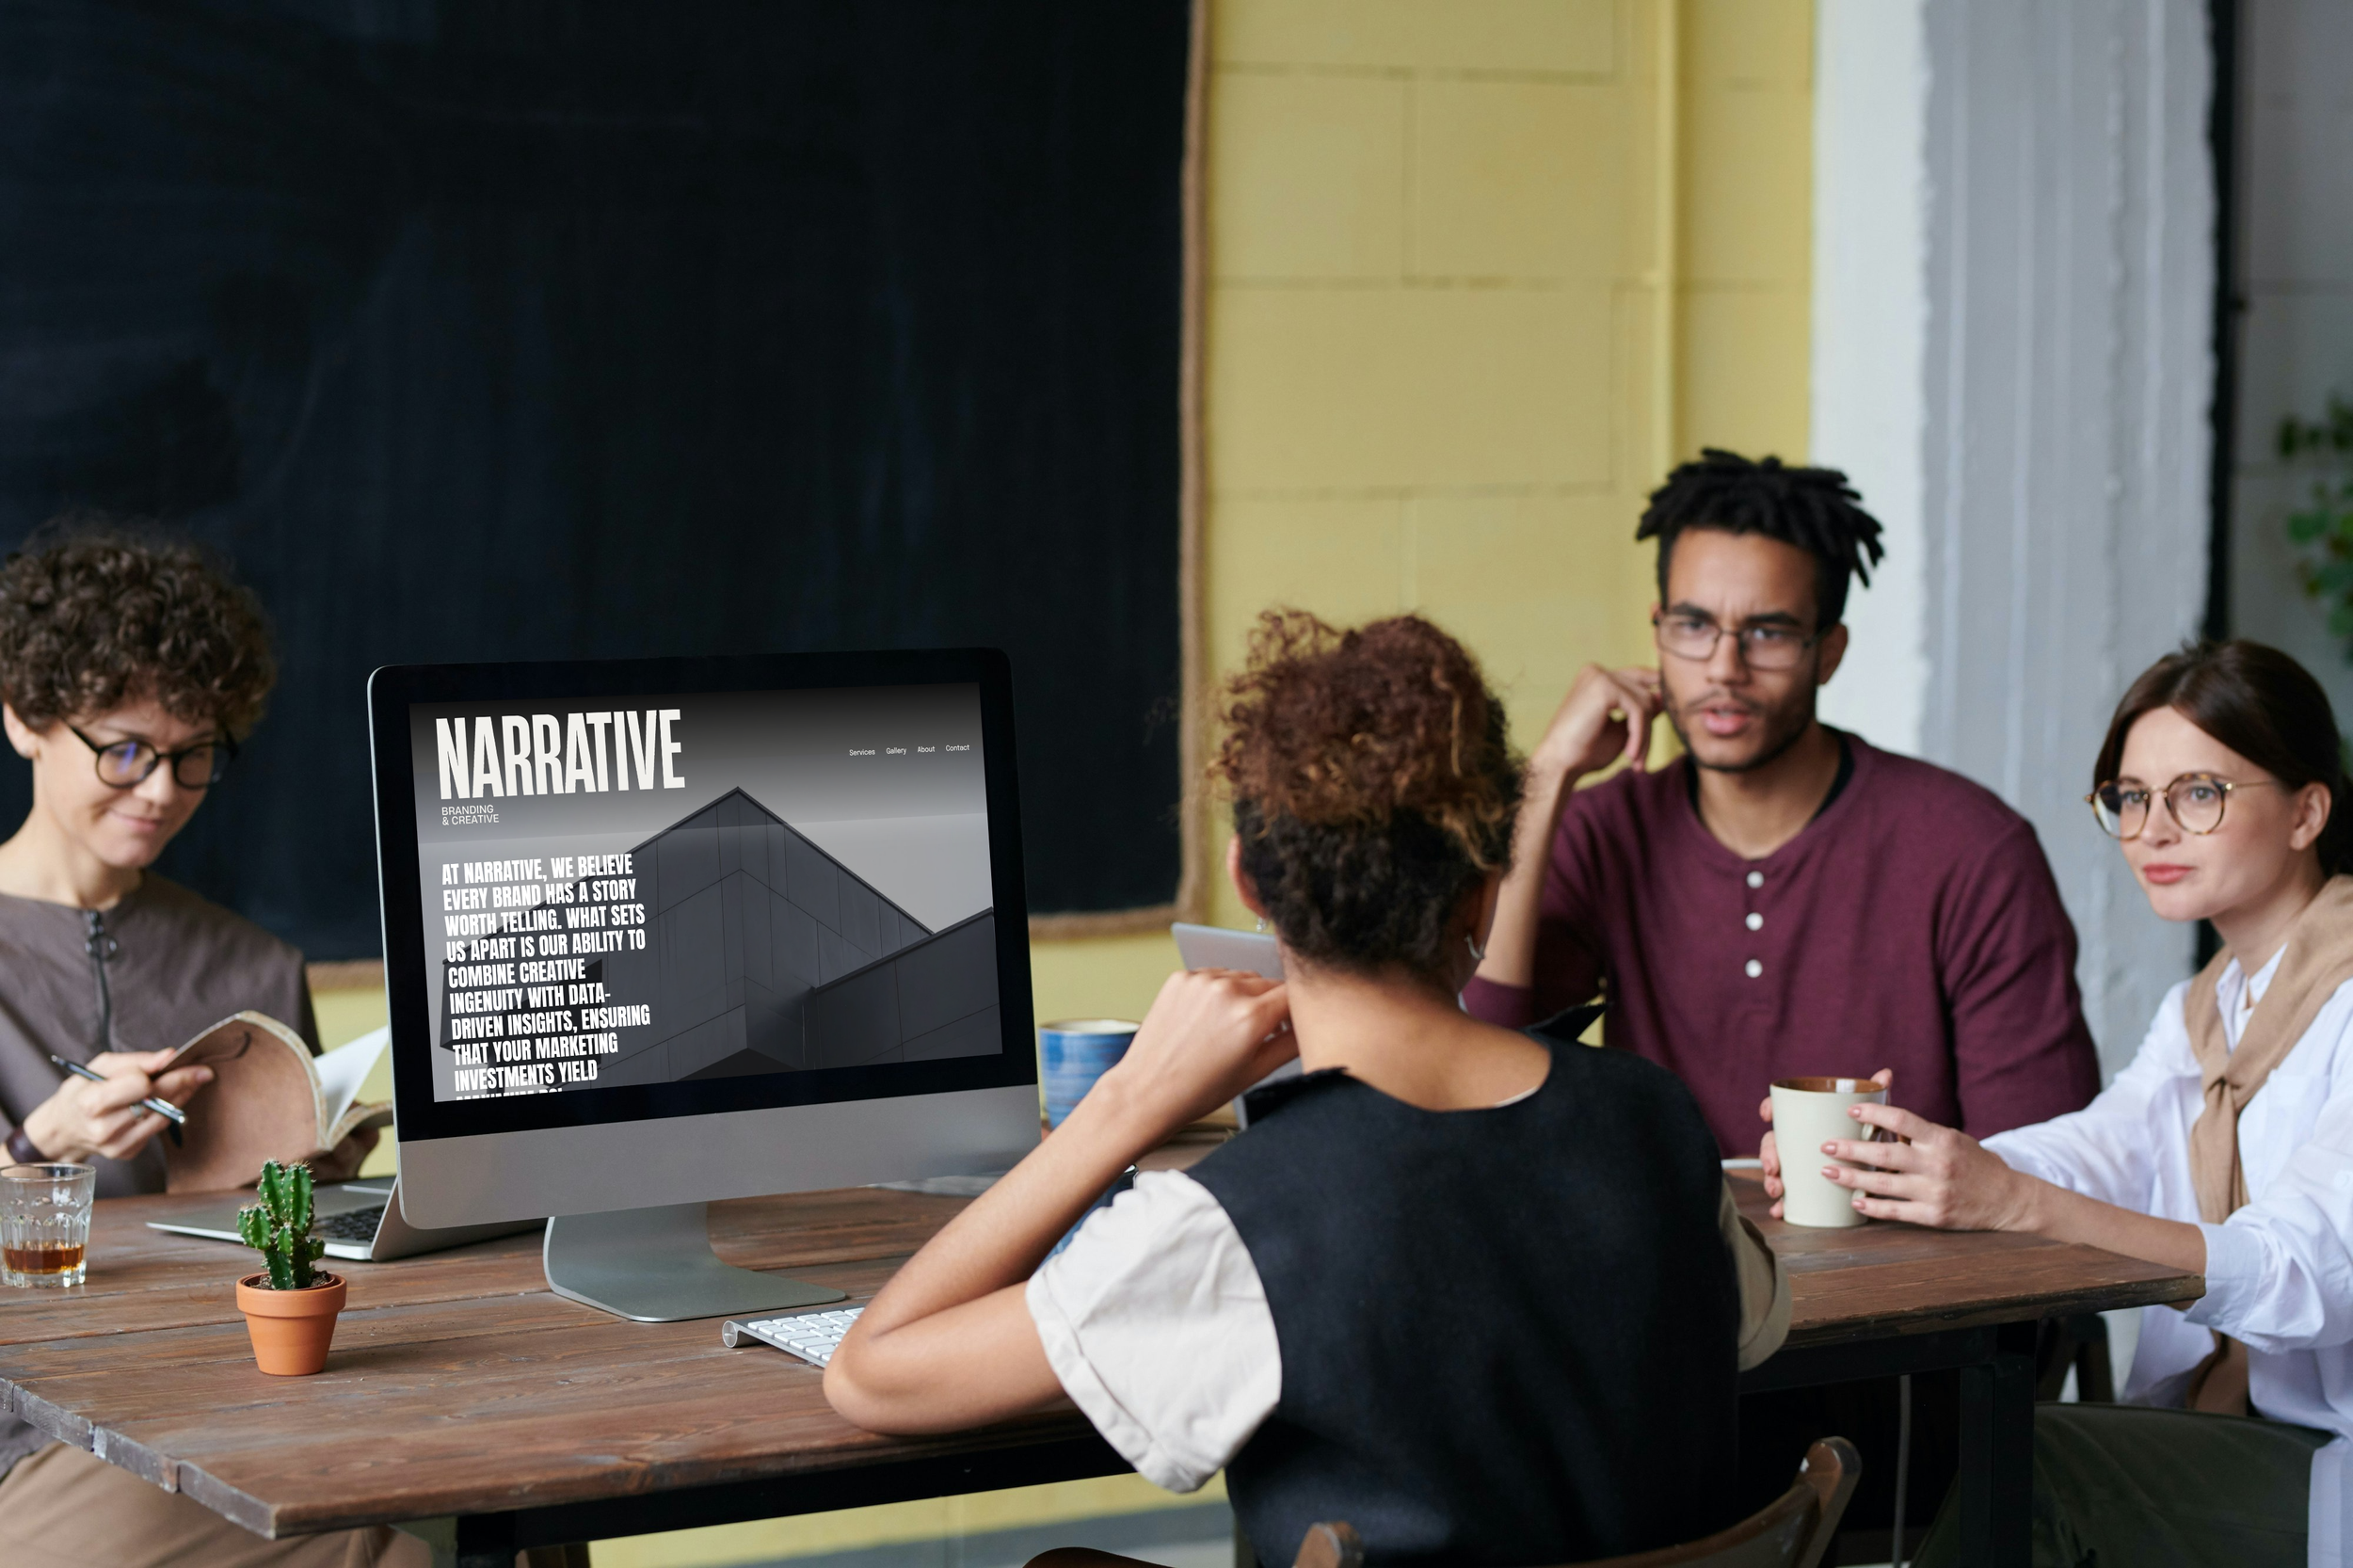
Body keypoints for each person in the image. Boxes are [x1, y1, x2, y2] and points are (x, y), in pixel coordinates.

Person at [824, 611, 1789, 1565]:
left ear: (1248, 879)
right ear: (1485, 885)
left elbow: (869, 1377)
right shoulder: (1659, 1122)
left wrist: (1126, 1105)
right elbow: (1750, 1328)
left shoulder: (1233, 1224)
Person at [1769, 639, 2353, 1567]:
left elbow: (2306, 1267)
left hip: (2331, 1454)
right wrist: (1915, 1161)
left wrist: (2011, 1200)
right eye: (2129, 797)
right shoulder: (2204, 1009)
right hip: (2247, 1423)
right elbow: (2102, 1144)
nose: (2151, 830)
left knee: (2038, 1458)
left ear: (2305, 810)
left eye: (2197, 793)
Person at [1465, 449, 2101, 1154]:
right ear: (1658, 629)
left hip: (1904, 1263)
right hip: (1666, 1260)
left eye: (1768, 632)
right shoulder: (1603, 830)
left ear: (1829, 652)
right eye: (1693, 625)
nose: (1723, 668)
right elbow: (1480, 1061)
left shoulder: (1972, 850)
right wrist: (1548, 774)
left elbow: (2042, 1162)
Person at [0, 521, 411, 1568]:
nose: (160, 791)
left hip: (242, 1394)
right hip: (35, 1439)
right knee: (399, 1525)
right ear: (25, 719)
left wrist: (318, 1184)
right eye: (125, 750)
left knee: (461, 1492)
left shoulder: (252, 967)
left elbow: (288, 1258)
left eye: (193, 757)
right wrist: (40, 1149)